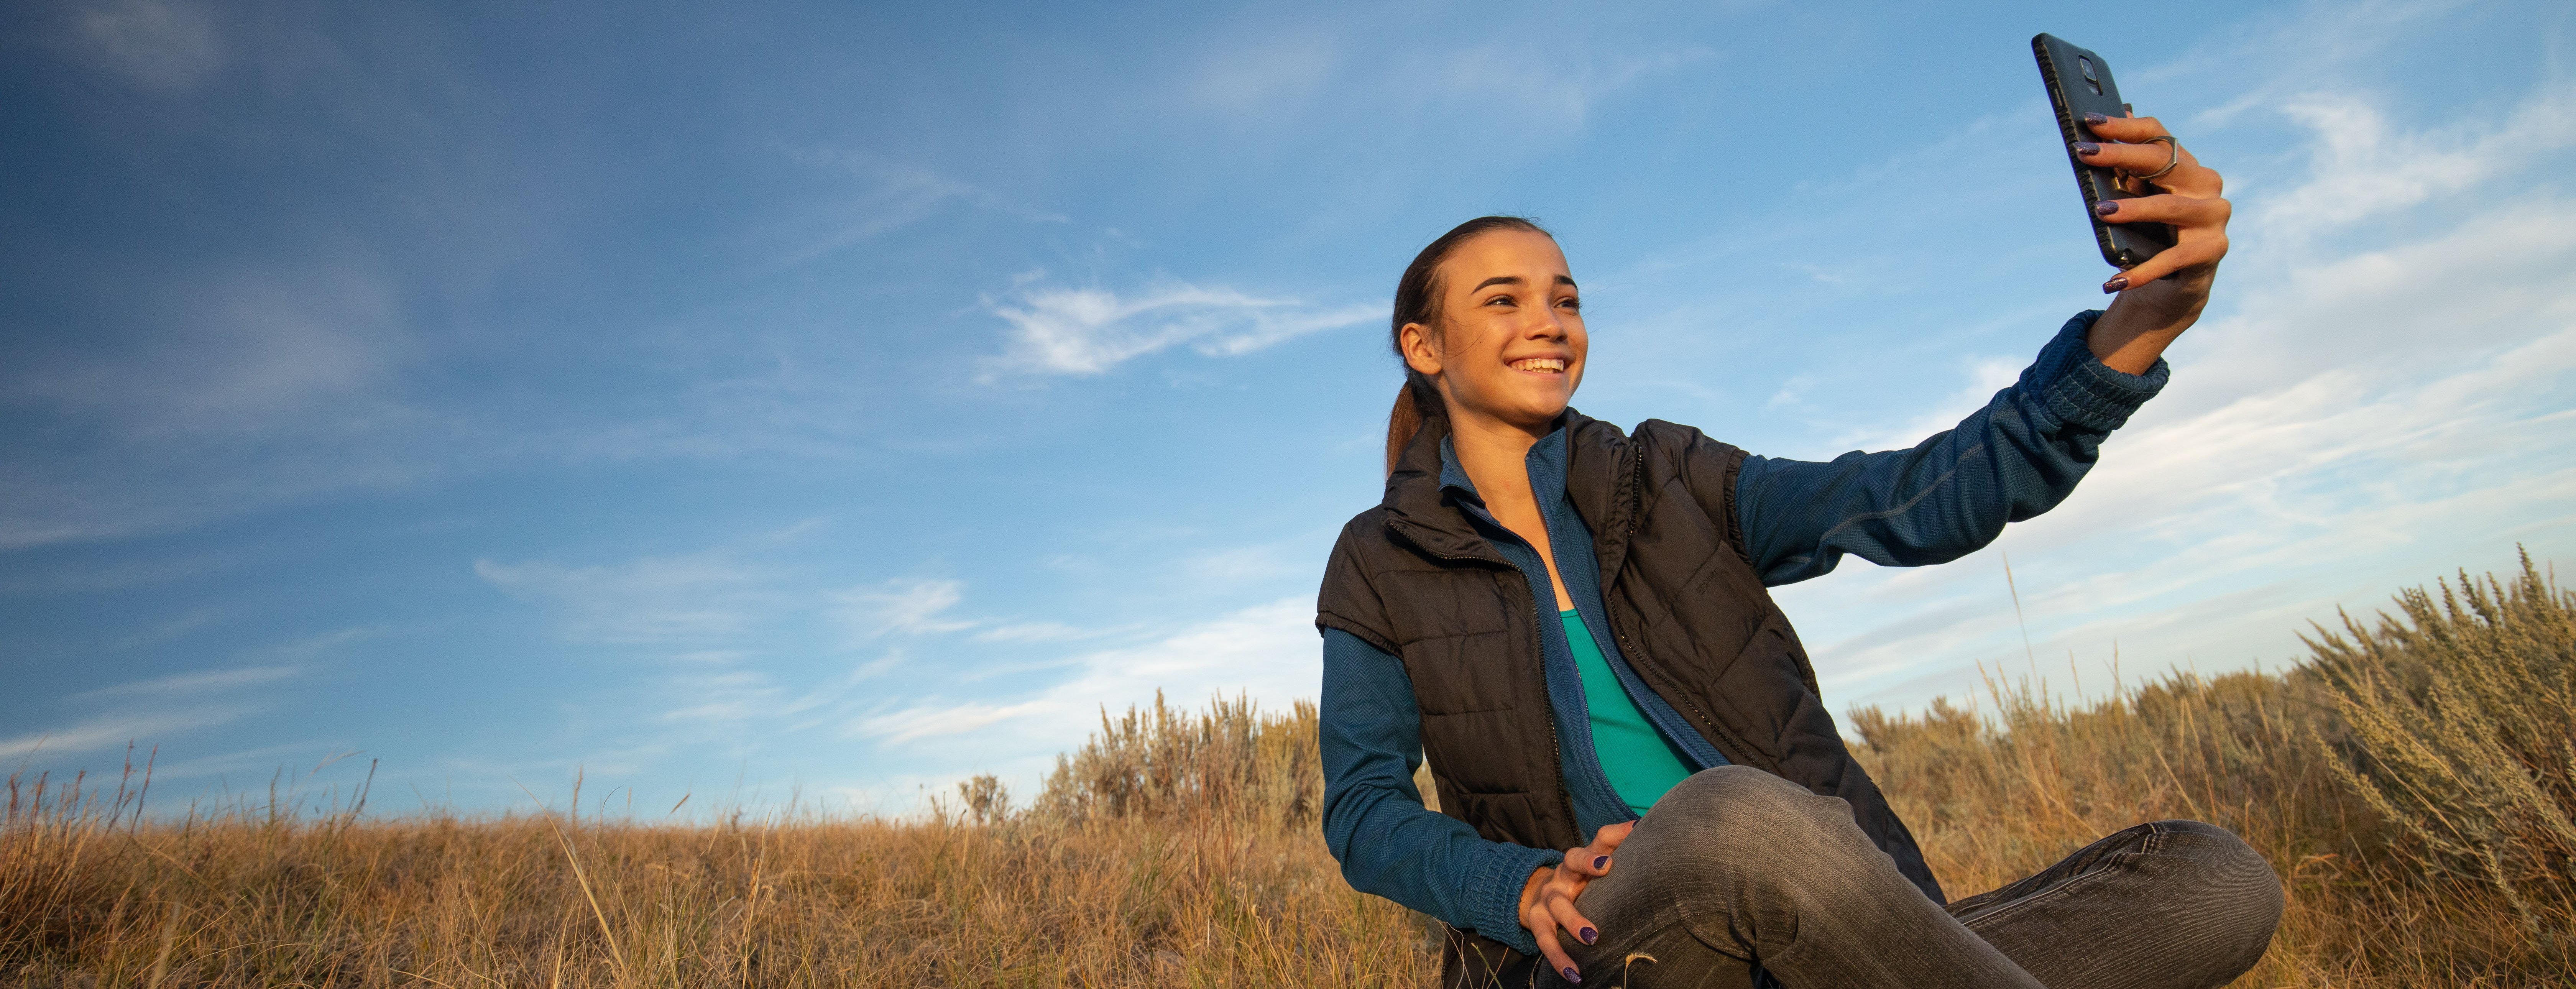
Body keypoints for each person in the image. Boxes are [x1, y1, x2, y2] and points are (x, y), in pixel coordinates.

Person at [1314, 112, 2283, 989]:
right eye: (1502, 301)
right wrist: (1514, 886)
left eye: (1565, 299)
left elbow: (1914, 499)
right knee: (1731, 818)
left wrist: (2137, 329)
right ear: (1425, 347)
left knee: (2210, 878)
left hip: (1815, 933)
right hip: (1601, 952)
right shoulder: (1380, 559)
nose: (1550, 324)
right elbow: (1364, 812)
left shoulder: (1668, 476)